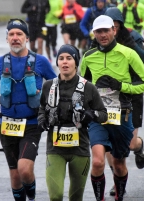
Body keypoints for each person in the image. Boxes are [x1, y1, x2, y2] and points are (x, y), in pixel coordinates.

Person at [0, 19, 57, 201]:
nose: (15, 38)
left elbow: (57, 85)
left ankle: (31, 192)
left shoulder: (40, 62)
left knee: (24, 170)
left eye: (19, 34)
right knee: (15, 176)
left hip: (32, 124)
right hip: (7, 125)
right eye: (11, 34)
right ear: (6, 38)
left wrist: (49, 108)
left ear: (27, 38)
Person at [81, 15, 144, 201]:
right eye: (99, 31)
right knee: (97, 162)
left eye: (106, 30)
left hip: (122, 115)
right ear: (94, 34)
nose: (103, 35)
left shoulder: (128, 54)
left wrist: (120, 86)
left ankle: (119, 197)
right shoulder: (88, 57)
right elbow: (81, 86)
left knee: (119, 165)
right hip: (98, 117)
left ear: (114, 30)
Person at [37, 44, 108, 201]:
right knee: (55, 196)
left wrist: (91, 115)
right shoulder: (48, 86)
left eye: (69, 58)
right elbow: (42, 109)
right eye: (61, 58)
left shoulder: (89, 88)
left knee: (76, 197)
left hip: (80, 148)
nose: (65, 62)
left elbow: (104, 115)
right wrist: (42, 120)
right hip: (55, 148)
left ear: (76, 62)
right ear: (57, 62)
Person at [102, 6, 144, 196]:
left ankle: (139, 148)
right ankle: (117, 178)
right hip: (108, 98)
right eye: (108, 27)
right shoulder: (98, 40)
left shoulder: (133, 37)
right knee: (107, 143)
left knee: (130, 144)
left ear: (120, 26)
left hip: (132, 97)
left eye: (115, 27)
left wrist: (132, 46)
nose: (110, 31)